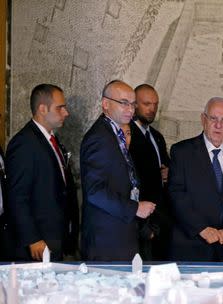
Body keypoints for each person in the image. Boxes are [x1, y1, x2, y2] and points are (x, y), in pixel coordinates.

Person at [168, 97, 223, 261]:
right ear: (203, 119)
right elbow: (176, 194)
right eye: (213, 118)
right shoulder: (182, 152)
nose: (218, 125)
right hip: (193, 245)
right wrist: (201, 229)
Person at [80, 80, 155, 261]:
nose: (130, 109)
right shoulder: (99, 137)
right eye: (123, 103)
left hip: (120, 233)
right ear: (105, 104)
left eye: (133, 104)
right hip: (107, 239)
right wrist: (135, 208)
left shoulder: (114, 132)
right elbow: (95, 191)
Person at [5, 84, 79, 261]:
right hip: (39, 241)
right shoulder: (24, 143)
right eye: (60, 107)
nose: (66, 113)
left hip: (55, 236)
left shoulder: (52, 139)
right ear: (42, 109)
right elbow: (17, 196)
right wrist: (32, 238)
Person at [129, 84, 171, 260]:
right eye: (147, 104)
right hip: (140, 221)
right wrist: (144, 227)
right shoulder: (127, 135)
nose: (152, 109)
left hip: (161, 218)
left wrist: (168, 172)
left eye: (155, 104)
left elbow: (165, 166)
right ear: (134, 104)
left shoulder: (157, 136)